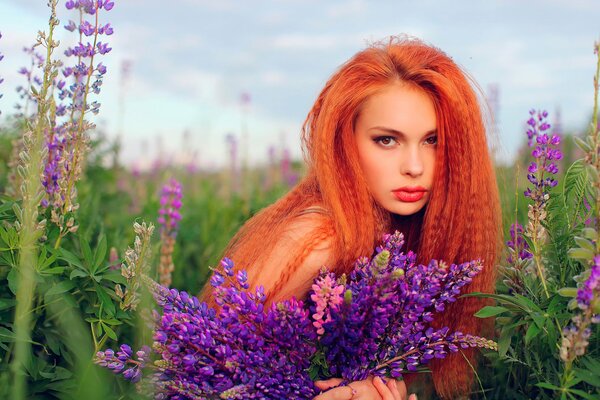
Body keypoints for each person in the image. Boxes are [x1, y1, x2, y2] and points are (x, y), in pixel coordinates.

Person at [200, 35, 502, 400]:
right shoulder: (318, 237)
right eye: (387, 140)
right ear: (347, 142)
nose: (414, 167)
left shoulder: (409, 231)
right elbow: (202, 370)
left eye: (433, 141)